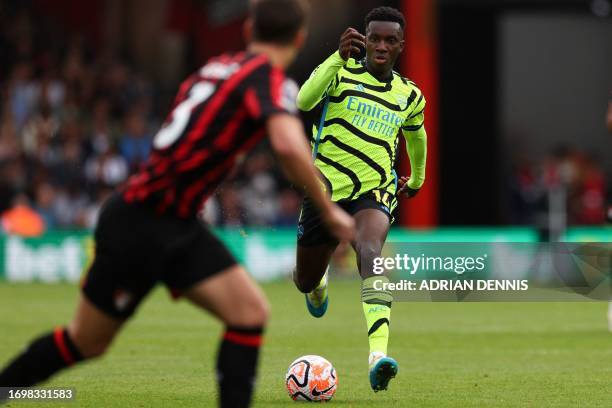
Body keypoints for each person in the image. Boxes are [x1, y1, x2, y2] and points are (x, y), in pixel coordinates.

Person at [0, 1, 355, 407]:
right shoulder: (271, 82)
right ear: (299, 38)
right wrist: (329, 212)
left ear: (248, 30)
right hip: (145, 222)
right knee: (88, 341)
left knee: (249, 313)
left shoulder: (214, 68)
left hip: (166, 219)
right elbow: (289, 146)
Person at [293, 6, 427, 392]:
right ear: (364, 39)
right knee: (305, 280)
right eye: (374, 38)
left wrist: (416, 179)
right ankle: (318, 283)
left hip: (375, 189)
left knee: (370, 251)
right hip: (325, 191)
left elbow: (416, 138)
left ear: (401, 44)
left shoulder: (409, 95)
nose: (381, 46)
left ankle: (378, 356)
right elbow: (303, 101)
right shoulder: (341, 72)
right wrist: (336, 57)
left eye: (389, 40)